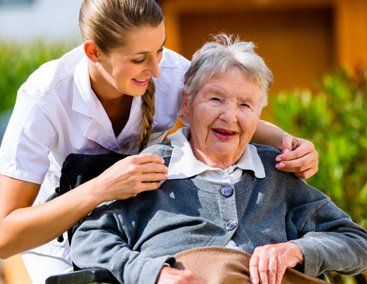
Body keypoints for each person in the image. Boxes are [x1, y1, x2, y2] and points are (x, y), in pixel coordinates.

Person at [0, 0, 318, 282]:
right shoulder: (45, 96)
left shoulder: (170, 72)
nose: (155, 69)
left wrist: (290, 142)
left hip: (141, 234)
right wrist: (102, 188)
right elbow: (5, 236)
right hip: (60, 237)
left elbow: (225, 115)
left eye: (160, 49)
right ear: (94, 52)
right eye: (139, 59)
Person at [71, 34, 367, 284]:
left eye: (245, 105)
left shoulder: (276, 172)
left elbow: (358, 242)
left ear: (258, 116)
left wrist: (297, 250)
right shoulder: (152, 169)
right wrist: (153, 273)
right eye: (215, 99)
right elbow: (89, 240)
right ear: (186, 106)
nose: (229, 116)